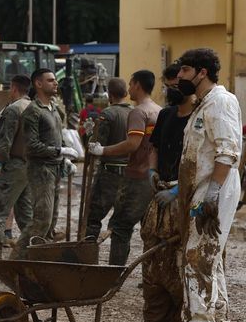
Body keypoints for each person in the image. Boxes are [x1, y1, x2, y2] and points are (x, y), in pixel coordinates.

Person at [167, 48, 242, 322]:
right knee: (211, 260)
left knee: (197, 259)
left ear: (202, 72)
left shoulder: (221, 101)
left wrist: (212, 194)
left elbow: (228, 151)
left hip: (214, 191)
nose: (179, 77)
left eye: (185, 70)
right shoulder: (203, 104)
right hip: (203, 190)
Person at [127, 63, 192, 322]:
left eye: (175, 83)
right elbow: (153, 147)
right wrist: (153, 170)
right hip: (160, 194)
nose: (170, 88)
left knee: (177, 264)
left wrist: (179, 189)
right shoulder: (166, 115)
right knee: (153, 263)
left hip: (183, 197)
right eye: (168, 83)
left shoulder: (199, 117)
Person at [88, 70, 161, 265]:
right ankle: (152, 273)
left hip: (136, 177)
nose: (129, 89)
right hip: (152, 177)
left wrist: (103, 150)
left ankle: (114, 274)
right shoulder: (158, 110)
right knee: (150, 229)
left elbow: (132, 144)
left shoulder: (139, 112)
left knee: (120, 228)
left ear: (137, 85)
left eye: (131, 84)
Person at [11, 69, 78, 258]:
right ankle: (16, 259)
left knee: (51, 221)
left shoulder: (54, 109)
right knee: (42, 219)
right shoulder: (33, 111)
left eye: (55, 80)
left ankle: (37, 258)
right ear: (38, 84)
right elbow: (31, 146)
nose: (55, 83)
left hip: (55, 167)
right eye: (50, 80)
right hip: (41, 170)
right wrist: (59, 151)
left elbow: (58, 136)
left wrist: (64, 158)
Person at [0, 75, 33, 260]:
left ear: (13, 88)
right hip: (29, 166)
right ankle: (32, 256)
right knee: (26, 215)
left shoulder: (14, 109)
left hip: (14, 166)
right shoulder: (34, 107)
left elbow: (6, 141)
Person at [83, 78, 133, 240]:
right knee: (122, 221)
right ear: (125, 93)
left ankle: (88, 249)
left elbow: (96, 146)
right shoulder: (135, 113)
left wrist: (89, 134)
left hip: (109, 173)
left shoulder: (108, 114)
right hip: (130, 173)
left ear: (110, 95)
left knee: (93, 216)